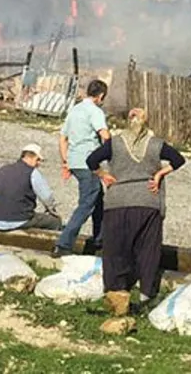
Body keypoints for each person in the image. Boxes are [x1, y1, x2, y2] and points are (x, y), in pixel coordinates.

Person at [85, 108, 185, 315]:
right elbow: (178, 159)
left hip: (118, 201)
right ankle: (146, 294)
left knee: (115, 248)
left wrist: (103, 174)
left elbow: (91, 161)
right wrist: (158, 174)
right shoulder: (156, 144)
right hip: (147, 201)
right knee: (147, 249)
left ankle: (115, 292)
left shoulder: (114, 143)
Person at [55, 80, 112, 257]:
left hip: (75, 161)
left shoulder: (75, 109)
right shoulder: (95, 112)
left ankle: (100, 240)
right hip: (89, 162)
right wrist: (111, 155)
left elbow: (62, 138)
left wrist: (66, 161)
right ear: (101, 96)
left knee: (98, 201)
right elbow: (105, 135)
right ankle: (63, 244)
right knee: (87, 203)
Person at [0, 144, 62, 232]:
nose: (38, 164)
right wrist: (52, 210)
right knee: (54, 222)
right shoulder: (32, 173)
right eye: (38, 160)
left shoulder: (3, 169)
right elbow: (47, 197)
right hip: (18, 219)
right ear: (30, 157)